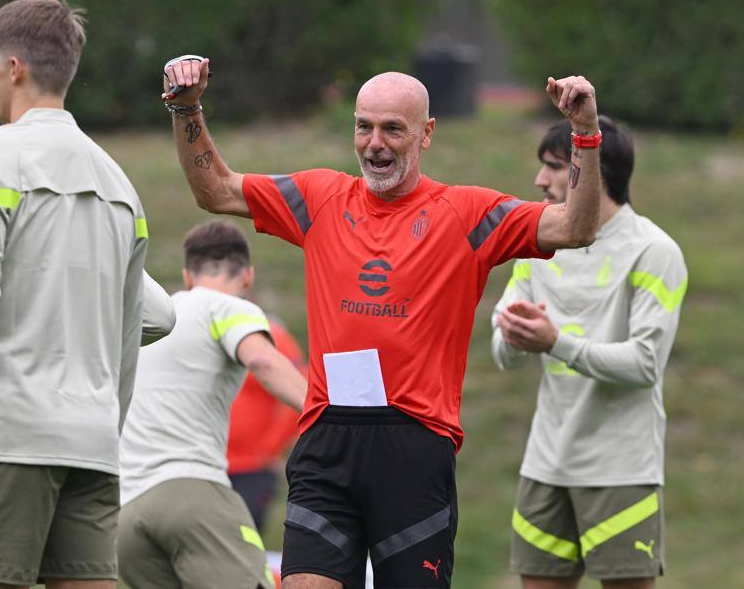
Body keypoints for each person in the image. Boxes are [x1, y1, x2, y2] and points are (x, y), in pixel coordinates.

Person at [160, 54, 603, 588]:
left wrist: (584, 132)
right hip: (327, 437)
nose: (376, 143)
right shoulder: (319, 197)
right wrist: (187, 107)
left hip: (415, 444)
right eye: (364, 127)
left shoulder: (467, 213)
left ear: (426, 134)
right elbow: (217, 191)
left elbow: (575, 228)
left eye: (394, 129)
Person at [0, 0, 148, 589]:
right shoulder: (118, 183)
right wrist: (105, 425)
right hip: (93, 444)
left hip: (6, 438)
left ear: (14, 67)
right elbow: (131, 330)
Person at [491, 117, 687, 589]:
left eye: (554, 167)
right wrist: (515, 337)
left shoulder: (654, 251)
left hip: (620, 471)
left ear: (594, 171)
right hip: (544, 467)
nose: (540, 180)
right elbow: (502, 353)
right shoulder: (538, 245)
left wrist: (555, 342)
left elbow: (644, 364)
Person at [116, 220, 306, 589]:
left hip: (125, 513)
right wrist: (328, 414)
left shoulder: (154, 317)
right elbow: (264, 362)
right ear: (247, 276)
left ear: (188, 274)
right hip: (190, 493)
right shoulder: (230, 308)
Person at [226, 314, 307, 530]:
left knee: (244, 541)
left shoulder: (271, 337)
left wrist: (270, 447)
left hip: (250, 468)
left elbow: (301, 392)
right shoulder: (197, 330)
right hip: (199, 463)